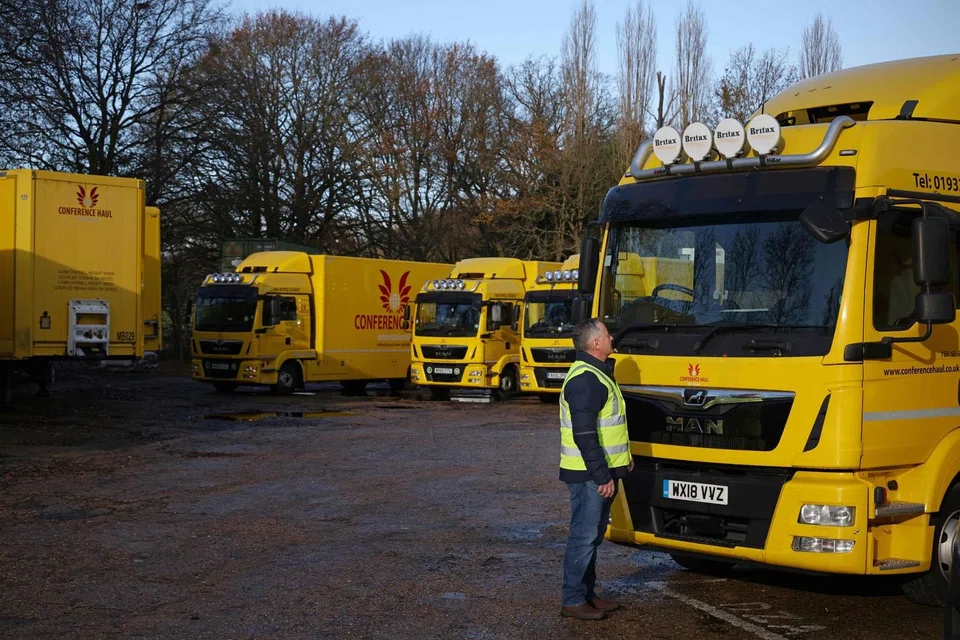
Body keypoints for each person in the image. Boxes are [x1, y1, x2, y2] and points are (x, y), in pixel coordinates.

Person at [558, 317, 633, 620]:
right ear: (595, 343)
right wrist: (602, 475)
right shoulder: (585, 379)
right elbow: (585, 434)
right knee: (583, 536)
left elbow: (608, 427)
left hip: (600, 471)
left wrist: (623, 460)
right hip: (589, 474)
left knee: (592, 536)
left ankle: (586, 594)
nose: (612, 338)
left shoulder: (597, 373)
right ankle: (573, 600)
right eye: (607, 334)